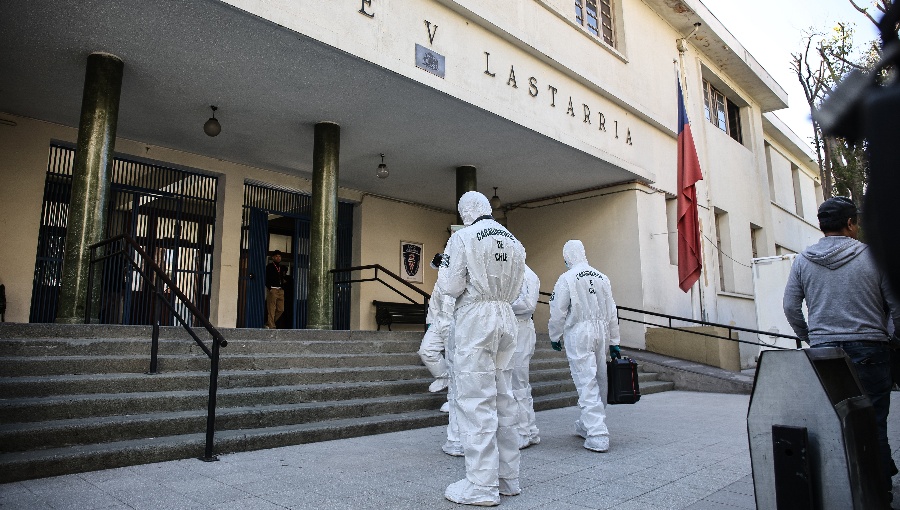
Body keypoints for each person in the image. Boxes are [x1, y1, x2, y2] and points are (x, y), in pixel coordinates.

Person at [783, 196, 900, 494]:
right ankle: (878, 492)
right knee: (874, 422)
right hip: (870, 350)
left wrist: (811, 337)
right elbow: (896, 307)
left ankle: (839, 490)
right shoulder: (874, 256)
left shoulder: (802, 260)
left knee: (831, 420)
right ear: (850, 223)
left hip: (823, 352)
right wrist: (892, 336)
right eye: (856, 222)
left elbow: (790, 307)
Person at [438, 191, 526, 506]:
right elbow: (518, 291)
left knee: (476, 401)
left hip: (476, 318)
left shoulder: (463, 238)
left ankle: (481, 484)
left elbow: (449, 286)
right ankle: (507, 478)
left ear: (465, 213)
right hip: (505, 316)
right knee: (504, 398)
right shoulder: (515, 242)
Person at [548, 240, 621, 453]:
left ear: (567, 257)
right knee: (600, 379)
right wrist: (614, 341)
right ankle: (588, 423)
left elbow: (558, 310)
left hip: (579, 331)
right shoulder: (602, 277)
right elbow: (612, 311)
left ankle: (598, 434)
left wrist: (555, 335)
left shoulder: (567, 278)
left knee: (585, 380)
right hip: (601, 330)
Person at [417, 253, 463, 456]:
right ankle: (443, 378)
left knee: (455, 362)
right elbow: (434, 304)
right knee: (426, 351)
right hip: (439, 321)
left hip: (455, 321)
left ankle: (453, 402)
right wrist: (430, 324)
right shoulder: (440, 280)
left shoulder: (460, 276)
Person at [510, 264, 541, 449]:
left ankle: (523, 431)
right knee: (519, 384)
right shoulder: (515, 271)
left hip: (520, 329)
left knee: (518, 383)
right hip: (515, 329)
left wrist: (503, 305)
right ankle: (529, 429)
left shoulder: (528, 275)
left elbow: (528, 305)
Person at [265, 250, 287, 329]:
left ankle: (268, 323)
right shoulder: (270, 267)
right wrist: (270, 288)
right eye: (277, 256)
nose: (278, 258)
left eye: (280, 256)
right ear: (273, 257)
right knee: (271, 308)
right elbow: (266, 278)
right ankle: (271, 326)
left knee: (281, 309)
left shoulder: (280, 267)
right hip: (273, 289)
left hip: (280, 290)